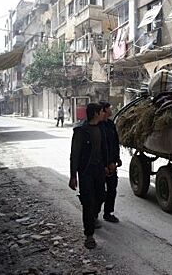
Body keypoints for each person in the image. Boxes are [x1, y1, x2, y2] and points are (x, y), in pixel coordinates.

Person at [68, 103, 107, 249]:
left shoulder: (101, 128)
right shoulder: (80, 131)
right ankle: (89, 235)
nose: (103, 113)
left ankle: (93, 216)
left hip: (99, 170)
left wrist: (107, 164)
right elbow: (75, 154)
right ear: (96, 113)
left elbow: (104, 149)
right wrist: (73, 176)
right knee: (88, 202)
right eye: (101, 111)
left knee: (101, 196)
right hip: (85, 172)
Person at [98, 101, 122, 223]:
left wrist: (116, 160)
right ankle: (94, 215)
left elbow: (115, 143)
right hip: (100, 166)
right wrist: (103, 165)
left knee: (112, 189)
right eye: (109, 108)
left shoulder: (110, 124)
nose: (111, 110)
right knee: (99, 192)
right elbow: (98, 149)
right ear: (104, 110)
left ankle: (108, 213)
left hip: (112, 164)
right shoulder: (96, 126)